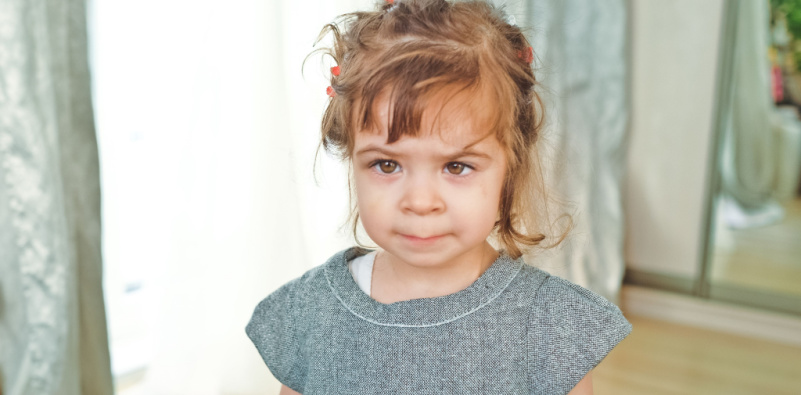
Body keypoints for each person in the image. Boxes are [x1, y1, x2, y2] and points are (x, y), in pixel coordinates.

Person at [246, 0, 631, 393]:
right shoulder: (311, 312)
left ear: (510, 165)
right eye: (387, 165)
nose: (420, 201)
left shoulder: (550, 325)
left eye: (456, 166)